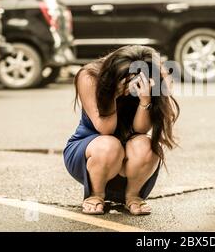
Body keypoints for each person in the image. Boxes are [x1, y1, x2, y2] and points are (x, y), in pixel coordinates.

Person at [64, 46, 180, 216]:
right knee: (109, 144)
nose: (131, 85)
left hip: (130, 160)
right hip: (92, 152)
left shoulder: (155, 74)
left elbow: (140, 129)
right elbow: (106, 129)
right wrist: (113, 95)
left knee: (147, 145)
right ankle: (96, 195)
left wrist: (145, 100)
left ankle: (133, 195)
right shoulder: (89, 76)